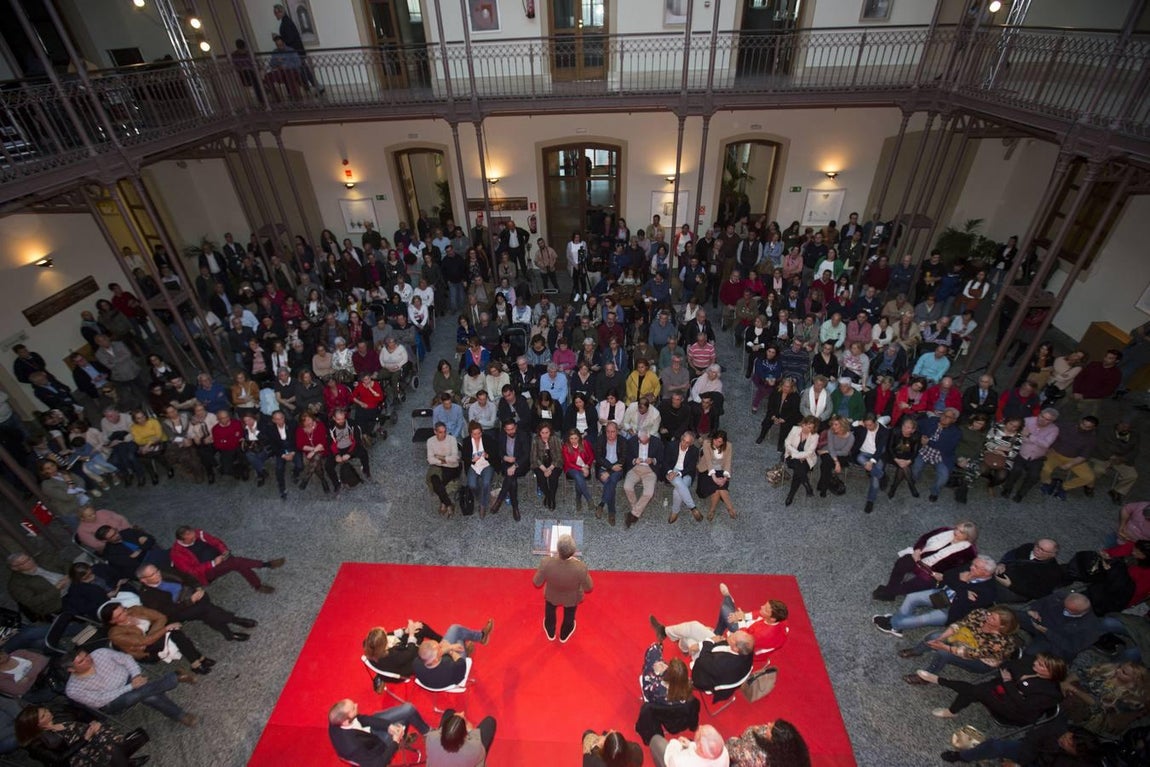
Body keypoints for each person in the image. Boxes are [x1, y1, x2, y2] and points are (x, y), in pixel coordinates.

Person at [64, 648, 195, 727]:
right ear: (71, 669)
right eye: (81, 661)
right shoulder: (73, 689)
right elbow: (100, 700)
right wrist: (130, 687)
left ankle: (179, 715)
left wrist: (136, 675)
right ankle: (175, 677)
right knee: (137, 693)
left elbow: (126, 659)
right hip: (111, 701)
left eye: (86, 655)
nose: (88, 659)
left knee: (149, 697)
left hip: (128, 679)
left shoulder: (99, 653)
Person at [924, 653, 1065, 725]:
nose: (1035, 663)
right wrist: (1017, 689)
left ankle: (941, 684)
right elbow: (1008, 664)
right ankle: (941, 684)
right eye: (1038, 661)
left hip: (1015, 712)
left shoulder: (1051, 693)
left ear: (1051, 672)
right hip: (1005, 691)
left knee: (976, 691)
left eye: (1041, 664)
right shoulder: (1031, 664)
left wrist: (1010, 682)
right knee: (976, 690)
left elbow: (1024, 705)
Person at [134, 563, 256, 642]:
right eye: (153, 574)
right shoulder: (147, 595)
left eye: (157, 571)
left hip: (191, 594)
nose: (158, 575)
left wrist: (197, 587)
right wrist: (190, 602)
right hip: (180, 609)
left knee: (207, 612)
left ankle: (230, 634)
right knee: (206, 609)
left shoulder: (165, 570)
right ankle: (235, 620)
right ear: (143, 580)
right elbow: (167, 611)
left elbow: (186, 577)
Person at [899, 606, 1022, 682]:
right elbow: (959, 625)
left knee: (943, 653)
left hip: (979, 660)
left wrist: (944, 647)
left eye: (993, 618)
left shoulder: (1000, 642)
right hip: (964, 639)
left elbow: (971, 654)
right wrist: (941, 638)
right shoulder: (980, 613)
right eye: (991, 614)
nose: (988, 616)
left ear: (1002, 626)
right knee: (934, 636)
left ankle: (926, 677)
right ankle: (917, 650)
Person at [100, 602, 213, 678]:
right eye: (120, 615)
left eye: (123, 609)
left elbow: (161, 617)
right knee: (174, 631)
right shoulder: (116, 634)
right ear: (112, 621)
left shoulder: (134, 610)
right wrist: (164, 629)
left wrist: (153, 633)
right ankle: (198, 660)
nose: (125, 613)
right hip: (147, 651)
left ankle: (197, 662)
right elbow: (144, 642)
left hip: (152, 638)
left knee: (176, 633)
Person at [872, 521, 979, 601]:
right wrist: (918, 550)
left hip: (934, 573)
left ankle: (890, 591)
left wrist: (943, 576)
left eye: (960, 532)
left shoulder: (970, 552)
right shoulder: (945, 530)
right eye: (956, 528)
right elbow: (925, 537)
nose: (955, 531)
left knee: (919, 584)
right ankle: (891, 591)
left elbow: (959, 570)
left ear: (968, 537)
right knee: (902, 563)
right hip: (920, 558)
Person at [649, 617, 754, 697]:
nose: (729, 633)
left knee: (688, 639)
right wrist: (704, 644)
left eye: (733, 636)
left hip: (704, 674)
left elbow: (703, 662)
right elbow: (720, 647)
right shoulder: (746, 650)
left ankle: (683, 647)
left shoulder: (723, 663)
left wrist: (707, 642)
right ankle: (665, 632)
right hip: (716, 651)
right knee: (693, 626)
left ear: (736, 648)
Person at [14, 705, 148, 767]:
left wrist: (91, 722)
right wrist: (85, 738)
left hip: (92, 737)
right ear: (36, 725)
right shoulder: (36, 744)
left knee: (105, 739)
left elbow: (81, 714)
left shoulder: (59, 713)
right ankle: (125, 762)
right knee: (109, 746)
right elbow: (59, 759)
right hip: (76, 756)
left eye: (45, 710)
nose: (48, 712)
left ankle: (124, 762)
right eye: (44, 715)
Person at [169, 526, 284, 593]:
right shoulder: (177, 553)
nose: (195, 538)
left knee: (238, 564)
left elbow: (215, 541)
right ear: (183, 540)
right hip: (208, 571)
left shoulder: (198, 533)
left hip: (221, 557)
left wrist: (224, 550)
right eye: (191, 538)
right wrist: (213, 563)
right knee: (236, 562)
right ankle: (266, 565)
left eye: (194, 535)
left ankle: (258, 585)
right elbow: (192, 571)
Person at [938, 719, 1102, 765]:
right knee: (996, 745)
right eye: (1068, 735)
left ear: (1076, 752)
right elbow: (1032, 738)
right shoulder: (1059, 728)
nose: (1064, 738)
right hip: (1029, 751)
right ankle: (963, 756)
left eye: (1069, 743)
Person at [328, 698, 430, 767]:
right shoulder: (353, 747)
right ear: (345, 721)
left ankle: (426, 733)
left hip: (368, 732)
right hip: (377, 747)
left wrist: (388, 726)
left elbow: (361, 719)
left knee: (408, 709)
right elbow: (378, 764)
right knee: (405, 718)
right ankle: (403, 740)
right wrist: (395, 741)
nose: (356, 704)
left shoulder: (336, 720)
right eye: (353, 708)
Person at [533, 533, 592, 642]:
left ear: (558, 549)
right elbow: (588, 587)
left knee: (550, 612)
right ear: (573, 551)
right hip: (572, 598)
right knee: (569, 614)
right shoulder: (580, 567)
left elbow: (537, 582)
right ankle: (564, 634)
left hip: (552, 595)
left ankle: (550, 631)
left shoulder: (546, 562)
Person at [1000, 407, 1061, 503]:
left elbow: (1046, 444)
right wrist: (1038, 441)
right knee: (1015, 470)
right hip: (1021, 453)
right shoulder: (1027, 421)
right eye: (1042, 416)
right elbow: (1019, 436)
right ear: (1039, 414)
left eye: (1047, 419)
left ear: (1052, 421)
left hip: (1037, 457)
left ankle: (1021, 494)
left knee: (1034, 476)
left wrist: (1029, 436)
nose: (1043, 420)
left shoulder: (1054, 429)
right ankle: (1007, 489)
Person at [413, 620, 494, 688]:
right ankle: (481, 638)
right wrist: (450, 650)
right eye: (439, 648)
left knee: (455, 630)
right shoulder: (451, 667)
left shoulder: (417, 663)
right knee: (459, 637)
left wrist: (447, 648)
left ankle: (476, 641)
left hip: (435, 678)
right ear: (436, 659)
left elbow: (434, 656)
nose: (441, 646)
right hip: (457, 671)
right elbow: (461, 663)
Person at [910, 408, 961, 502]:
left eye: (948, 417)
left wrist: (929, 442)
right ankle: (914, 479)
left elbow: (947, 447)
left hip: (942, 456)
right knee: (916, 467)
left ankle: (935, 492)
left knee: (943, 476)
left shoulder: (956, 432)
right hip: (925, 451)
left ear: (954, 420)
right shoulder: (933, 421)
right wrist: (919, 435)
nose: (944, 418)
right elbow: (917, 424)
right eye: (944, 414)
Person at [426, 708, 497, 766]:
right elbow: (480, 756)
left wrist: (455, 720)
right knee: (490, 722)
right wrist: (470, 730)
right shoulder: (474, 748)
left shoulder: (431, 738)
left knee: (449, 712)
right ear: (464, 734)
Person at [490, 419, 530, 521]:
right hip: (507, 463)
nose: (511, 431)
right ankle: (515, 507)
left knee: (511, 476)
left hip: (521, 464)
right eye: (508, 430)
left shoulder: (523, 435)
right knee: (511, 480)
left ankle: (499, 500)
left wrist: (515, 465)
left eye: (512, 429)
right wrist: (504, 457)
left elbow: (526, 455)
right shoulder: (501, 436)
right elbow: (498, 451)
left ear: (515, 427)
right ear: (504, 429)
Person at [725, 720, 811, 767]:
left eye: (770, 728)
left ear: (774, 741)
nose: (768, 724)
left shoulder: (756, 755)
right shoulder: (796, 750)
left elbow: (732, 750)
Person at [594, 421, 632, 526]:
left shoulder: (623, 441)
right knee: (610, 482)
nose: (610, 434)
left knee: (611, 479)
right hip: (603, 468)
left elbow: (623, 459)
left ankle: (602, 504)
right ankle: (611, 512)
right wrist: (610, 468)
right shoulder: (600, 440)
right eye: (608, 432)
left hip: (618, 468)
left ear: (617, 432)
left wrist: (610, 471)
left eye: (613, 432)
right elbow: (598, 458)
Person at [661, 430, 701, 523]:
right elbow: (664, 461)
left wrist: (679, 473)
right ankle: (693, 507)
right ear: (681, 438)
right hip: (671, 470)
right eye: (683, 440)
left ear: (691, 443)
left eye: (687, 443)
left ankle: (675, 512)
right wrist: (671, 471)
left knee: (677, 490)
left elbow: (691, 467)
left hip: (686, 472)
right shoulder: (671, 445)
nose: (684, 444)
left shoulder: (694, 450)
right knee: (678, 483)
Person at [697, 430, 735, 521]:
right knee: (717, 486)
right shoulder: (707, 443)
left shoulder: (728, 446)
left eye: (719, 442)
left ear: (724, 442)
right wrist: (714, 478)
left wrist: (725, 478)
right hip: (706, 469)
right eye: (715, 440)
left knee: (718, 487)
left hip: (721, 470)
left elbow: (727, 463)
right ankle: (730, 507)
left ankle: (712, 510)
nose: (716, 443)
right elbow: (709, 462)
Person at [649, 724, 729, 767]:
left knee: (656, 740)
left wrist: (676, 744)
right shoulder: (723, 752)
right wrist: (690, 745)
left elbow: (669, 758)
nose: (700, 726)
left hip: (672, 762)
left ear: (700, 747)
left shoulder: (680, 761)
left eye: (700, 732)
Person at [782, 416, 819, 507]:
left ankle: (791, 495)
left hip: (806, 459)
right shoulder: (795, 429)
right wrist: (798, 455)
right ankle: (807, 486)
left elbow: (809, 452)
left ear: (814, 428)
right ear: (803, 423)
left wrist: (798, 455)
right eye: (805, 425)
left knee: (798, 470)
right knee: (799, 468)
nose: (806, 428)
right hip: (791, 457)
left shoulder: (815, 436)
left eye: (810, 427)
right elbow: (787, 443)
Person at [426, 422, 462, 516]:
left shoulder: (452, 439)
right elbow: (430, 459)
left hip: (453, 467)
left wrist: (439, 457)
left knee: (439, 485)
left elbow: (455, 458)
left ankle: (443, 503)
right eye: (441, 432)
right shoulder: (430, 441)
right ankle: (449, 504)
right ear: (435, 432)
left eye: (445, 431)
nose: (443, 434)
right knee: (434, 480)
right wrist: (443, 461)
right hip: (438, 466)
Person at [461, 421, 495, 515]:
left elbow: (495, 453)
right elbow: (464, 457)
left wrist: (487, 455)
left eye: (479, 433)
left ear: (482, 431)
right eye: (474, 434)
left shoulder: (487, 439)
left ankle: (483, 505)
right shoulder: (466, 441)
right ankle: (482, 496)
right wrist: (472, 459)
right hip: (474, 465)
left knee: (486, 482)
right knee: (472, 485)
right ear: (470, 433)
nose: (477, 436)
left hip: (486, 464)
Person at [562, 428, 596, 513]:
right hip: (571, 468)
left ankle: (578, 499)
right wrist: (582, 469)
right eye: (571, 438)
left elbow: (591, 456)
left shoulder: (585, 443)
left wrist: (587, 466)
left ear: (579, 438)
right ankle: (589, 499)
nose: (573, 441)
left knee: (579, 478)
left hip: (584, 466)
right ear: (568, 439)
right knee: (578, 475)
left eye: (575, 438)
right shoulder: (566, 447)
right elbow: (569, 463)